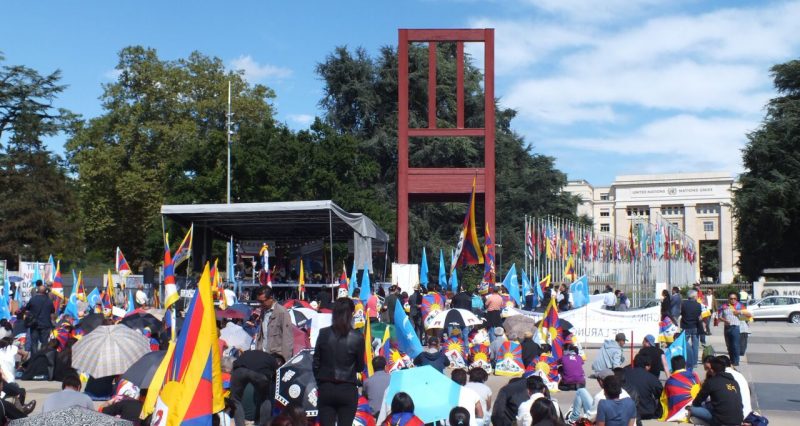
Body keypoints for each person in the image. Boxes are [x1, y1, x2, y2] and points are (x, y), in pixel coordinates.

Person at [312, 297, 365, 426]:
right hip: (347, 388)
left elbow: (316, 363)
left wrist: (321, 382)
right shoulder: (357, 337)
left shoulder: (324, 333)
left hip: (326, 386)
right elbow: (359, 367)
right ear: (352, 313)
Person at [687, 356, 743, 426]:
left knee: (692, 409)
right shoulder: (734, 382)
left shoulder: (711, 382)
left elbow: (697, 401)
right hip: (738, 420)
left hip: (721, 421)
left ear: (712, 370)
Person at [565, 369, 632, 424]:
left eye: (598, 380)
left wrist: (580, 418)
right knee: (581, 391)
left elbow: (590, 419)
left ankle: (572, 417)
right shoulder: (627, 397)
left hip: (600, 419)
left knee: (581, 391)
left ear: (601, 381)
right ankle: (573, 416)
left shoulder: (601, 398)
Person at [230, 350, 279, 424]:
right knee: (265, 399)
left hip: (240, 370)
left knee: (236, 400)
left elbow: (234, 365)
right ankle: (265, 424)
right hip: (259, 374)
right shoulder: (273, 361)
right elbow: (276, 379)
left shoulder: (249, 352)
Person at [252, 286, 294, 361]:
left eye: (262, 301)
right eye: (259, 301)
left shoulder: (282, 312)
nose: (260, 304)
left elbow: (287, 339)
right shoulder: (263, 311)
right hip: (263, 355)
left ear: (271, 298)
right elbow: (261, 335)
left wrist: (285, 361)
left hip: (276, 358)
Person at [622, 354, 663, 421]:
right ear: (647, 366)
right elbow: (661, 393)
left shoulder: (624, 373)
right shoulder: (651, 377)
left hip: (626, 412)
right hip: (646, 412)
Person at [716, 292, 751, 366]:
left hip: (735, 328)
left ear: (736, 299)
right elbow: (719, 316)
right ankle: (731, 360)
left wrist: (740, 312)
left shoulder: (740, 306)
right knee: (729, 346)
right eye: (731, 298)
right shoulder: (724, 306)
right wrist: (724, 320)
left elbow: (749, 315)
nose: (733, 300)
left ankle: (736, 362)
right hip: (727, 328)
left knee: (735, 345)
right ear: (728, 299)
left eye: (734, 298)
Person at [24, 283, 54, 353]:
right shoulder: (49, 301)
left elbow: (27, 308)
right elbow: (52, 312)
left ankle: (34, 360)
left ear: (37, 291)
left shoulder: (33, 299)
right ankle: (42, 359)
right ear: (46, 292)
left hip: (34, 324)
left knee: (34, 343)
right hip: (46, 325)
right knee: (44, 343)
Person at [680, 289, 703, 369]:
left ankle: (685, 360)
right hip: (695, 326)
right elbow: (699, 316)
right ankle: (694, 362)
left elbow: (681, 313)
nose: (697, 297)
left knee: (684, 344)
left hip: (685, 326)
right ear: (694, 296)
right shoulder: (698, 305)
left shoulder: (683, 304)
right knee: (695, 345)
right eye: (696, 295)